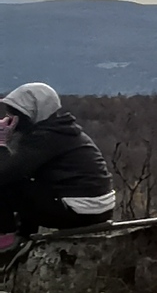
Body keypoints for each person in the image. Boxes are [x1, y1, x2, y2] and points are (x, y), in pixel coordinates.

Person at [0, 84, 118, 252]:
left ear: (32, 113)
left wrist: (2, 143)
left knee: (9, 183)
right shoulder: (61, 131)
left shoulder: (45, 137)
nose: (9, 119)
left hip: (79, 213)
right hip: (97, 210)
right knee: (25, 182)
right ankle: (23, 236)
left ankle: (6, 239)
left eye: (14, 114)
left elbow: (5, 172)